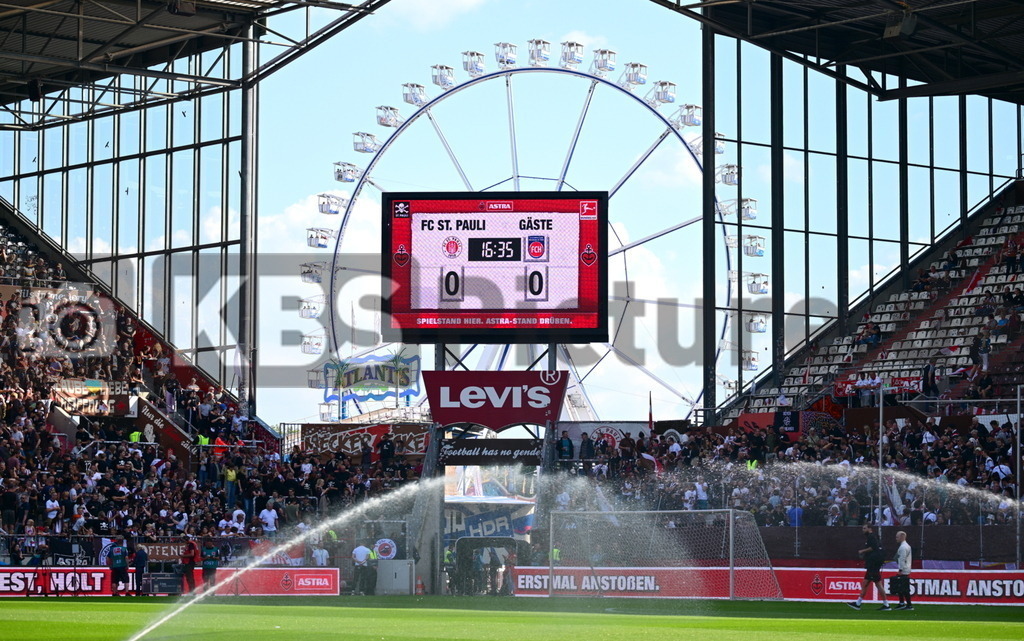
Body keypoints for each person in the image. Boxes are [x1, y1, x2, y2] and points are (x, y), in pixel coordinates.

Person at [848, 523, 890, 611]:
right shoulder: (873, 537)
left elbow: (874, 547)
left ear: (870, 529)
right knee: (866, 583)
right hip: (873, 564)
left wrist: (862, 551)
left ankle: (886, 605)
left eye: (864, 528)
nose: (863, 530)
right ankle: (858, 603)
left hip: (873, 564)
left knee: (876, 583)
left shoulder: (871, 537)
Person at [893, 531, 913, 610]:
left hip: (904, 570)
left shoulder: (903, 547)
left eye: (897, 537)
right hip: (906, 569)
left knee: (904, 588)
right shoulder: (906, 546)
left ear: (902, 537)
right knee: (901, 587)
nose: (896, 539)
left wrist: (900, 569)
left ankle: (908, 605)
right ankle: (902, 603)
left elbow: (902, 559)